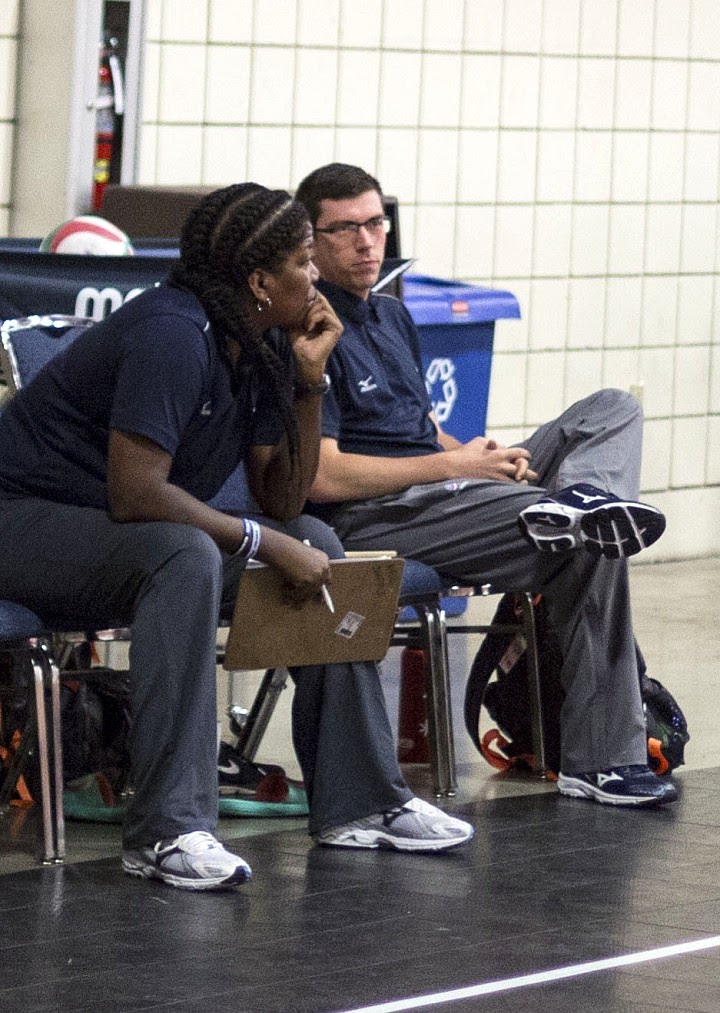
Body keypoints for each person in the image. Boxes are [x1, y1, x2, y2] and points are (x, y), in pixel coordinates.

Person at [0, 184, 473, 891]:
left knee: (314, 533)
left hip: (106, 532)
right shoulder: (171, 332)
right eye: (304, 262)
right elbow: (139, 494)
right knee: (184, 553)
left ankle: (360, 800)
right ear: (258, 280)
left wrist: (310, 384)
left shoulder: (261, 342)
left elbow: (283, 495)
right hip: (21, 519)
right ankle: (167, 829)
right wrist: (262, 541)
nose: (315, 277)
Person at [294, 162, 677, 808]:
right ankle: (603, 760)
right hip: (381, 512)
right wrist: (455, 467)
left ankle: (582, 496)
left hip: (450, 489)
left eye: (375, 223)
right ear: (311, 240)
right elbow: (324, 474)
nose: (366, 241)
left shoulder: (392, 317)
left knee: (613, 409)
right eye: (346, 229)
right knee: (589, 541)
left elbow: (419, 427)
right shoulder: (311, 330)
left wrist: (479, 452)